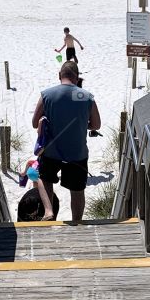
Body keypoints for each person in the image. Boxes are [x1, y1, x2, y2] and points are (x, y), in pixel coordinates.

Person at [32, 60, 101, 223]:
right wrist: (84, 124)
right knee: (77, 189)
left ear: (59, 76)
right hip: (77, 152)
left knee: (44, 178)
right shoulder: (86, 96)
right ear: (77, 78)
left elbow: (35, 122)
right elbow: (96, 124)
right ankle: (76, 221)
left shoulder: (46, 94)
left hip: (51, 150)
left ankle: (49, 211)